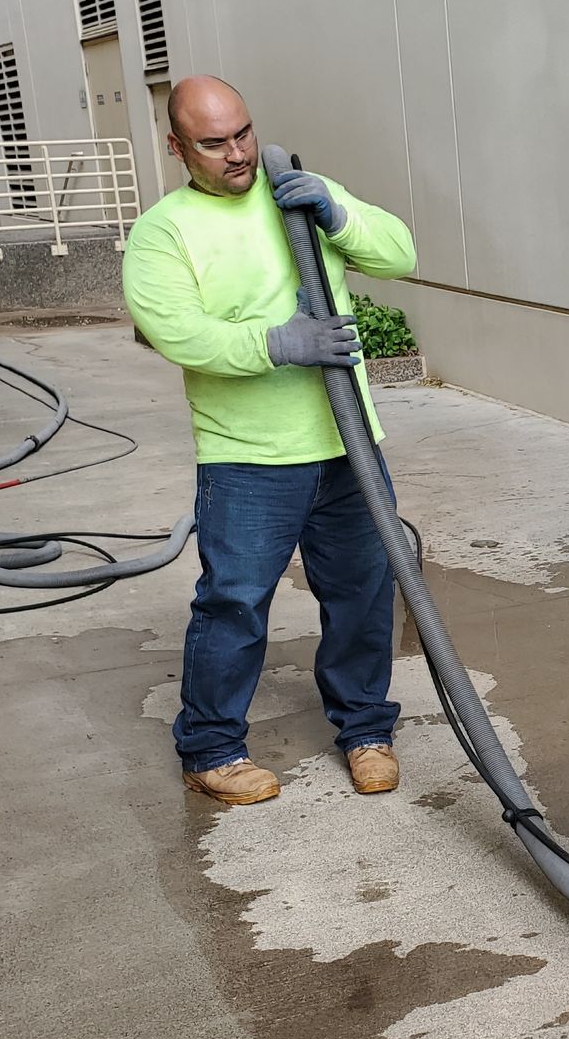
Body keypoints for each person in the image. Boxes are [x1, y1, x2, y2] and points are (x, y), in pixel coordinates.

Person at [123, 76, 417, 806]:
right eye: (214, 143)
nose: (237, 153)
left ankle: (365, 729)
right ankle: (211, 747)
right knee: (234, 602)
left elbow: (400, 253)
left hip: (346, 442)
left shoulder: (295, 193)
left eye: (244, 133)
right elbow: (180, 333)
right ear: (177, 147)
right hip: (247, 456)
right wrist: (278, 342)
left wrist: (338, 212)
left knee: (363, 592)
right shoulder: (165, 230)